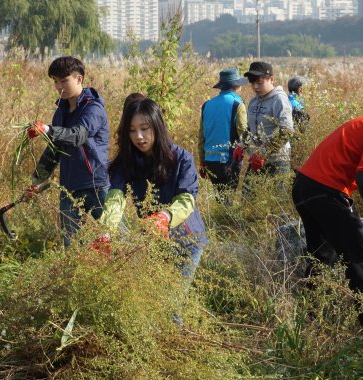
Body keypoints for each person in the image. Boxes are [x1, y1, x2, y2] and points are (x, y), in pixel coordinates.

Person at [292, 104, 363, 333]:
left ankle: (310, 321)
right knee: (357, 257)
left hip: (304, 185)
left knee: (321, 256)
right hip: (327, 191)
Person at [97, 98, 207, 280]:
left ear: (157, 126)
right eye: (132, 131)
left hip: (187, 241)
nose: (138, 136)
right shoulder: (128, 162)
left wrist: (165, 217)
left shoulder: (181, 159)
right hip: (155, 242)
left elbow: (186, 199)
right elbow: (115, 196)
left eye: (144, 128)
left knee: (173, 304)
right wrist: (106, 232)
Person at [25, 56, 110, 246]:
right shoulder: (61, 112)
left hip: (96, 185)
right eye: (55, 81)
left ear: (79, 79)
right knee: (71, 246)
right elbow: (54, 150)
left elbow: (77, 135)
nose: (58, 86)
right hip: (69, 187)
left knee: (115, 240)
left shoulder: (93, 109)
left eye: (64, 80)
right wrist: (37, 181)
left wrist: (46, 129)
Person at [198, 68, 248, 200]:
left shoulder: (206, 105)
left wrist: (202, 161)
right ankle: (225, 221)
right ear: (237, 86)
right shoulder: (238, 105)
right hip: (228, 161)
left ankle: (220, 219)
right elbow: (244, 133)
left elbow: (201, 137)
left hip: (210, 161)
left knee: (220, 197)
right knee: (228, 199)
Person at [242, 61, 294, 175]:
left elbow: (287, 131)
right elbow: (250, 128)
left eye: (259, 82)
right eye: (252, 83)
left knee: (275, 193)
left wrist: (263, 153)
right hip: (255, 161)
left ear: (272, 79)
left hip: (277, 162)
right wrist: (241, 145)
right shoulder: (253, 101)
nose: (255, 87)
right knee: (248, 193)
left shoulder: (279, 100)